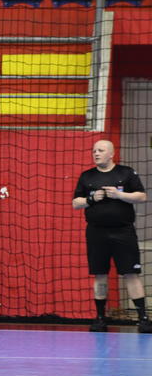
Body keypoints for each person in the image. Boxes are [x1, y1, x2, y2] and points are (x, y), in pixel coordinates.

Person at [72, 139, 151, 333]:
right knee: (100, 274)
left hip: (123, 232)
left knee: (131, 274)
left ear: (111, 154)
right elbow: (76, 203)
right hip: (96, 233)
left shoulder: (126, 173)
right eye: (94, 151)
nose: (96, 153)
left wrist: (120, 195)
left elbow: (142, 196)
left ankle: (143, 319)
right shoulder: (87, 176)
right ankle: (100, 318)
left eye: (100, 150)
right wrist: (91, 199)